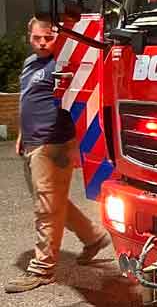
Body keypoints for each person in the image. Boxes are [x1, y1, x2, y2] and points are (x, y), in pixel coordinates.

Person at [5, 18, 111, 294]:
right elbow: (27, 99)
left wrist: (76, 146)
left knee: (46, 208)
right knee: (52, 202)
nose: (42, 42)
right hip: (32, 142)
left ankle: (42, 269)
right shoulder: (31, 63)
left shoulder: (64, 67)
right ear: (29, 35)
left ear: (59, 38)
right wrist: (20, 134)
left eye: (48, 38)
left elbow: (81, 103)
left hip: (53, 146)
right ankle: (94, 237)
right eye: (37, 37)